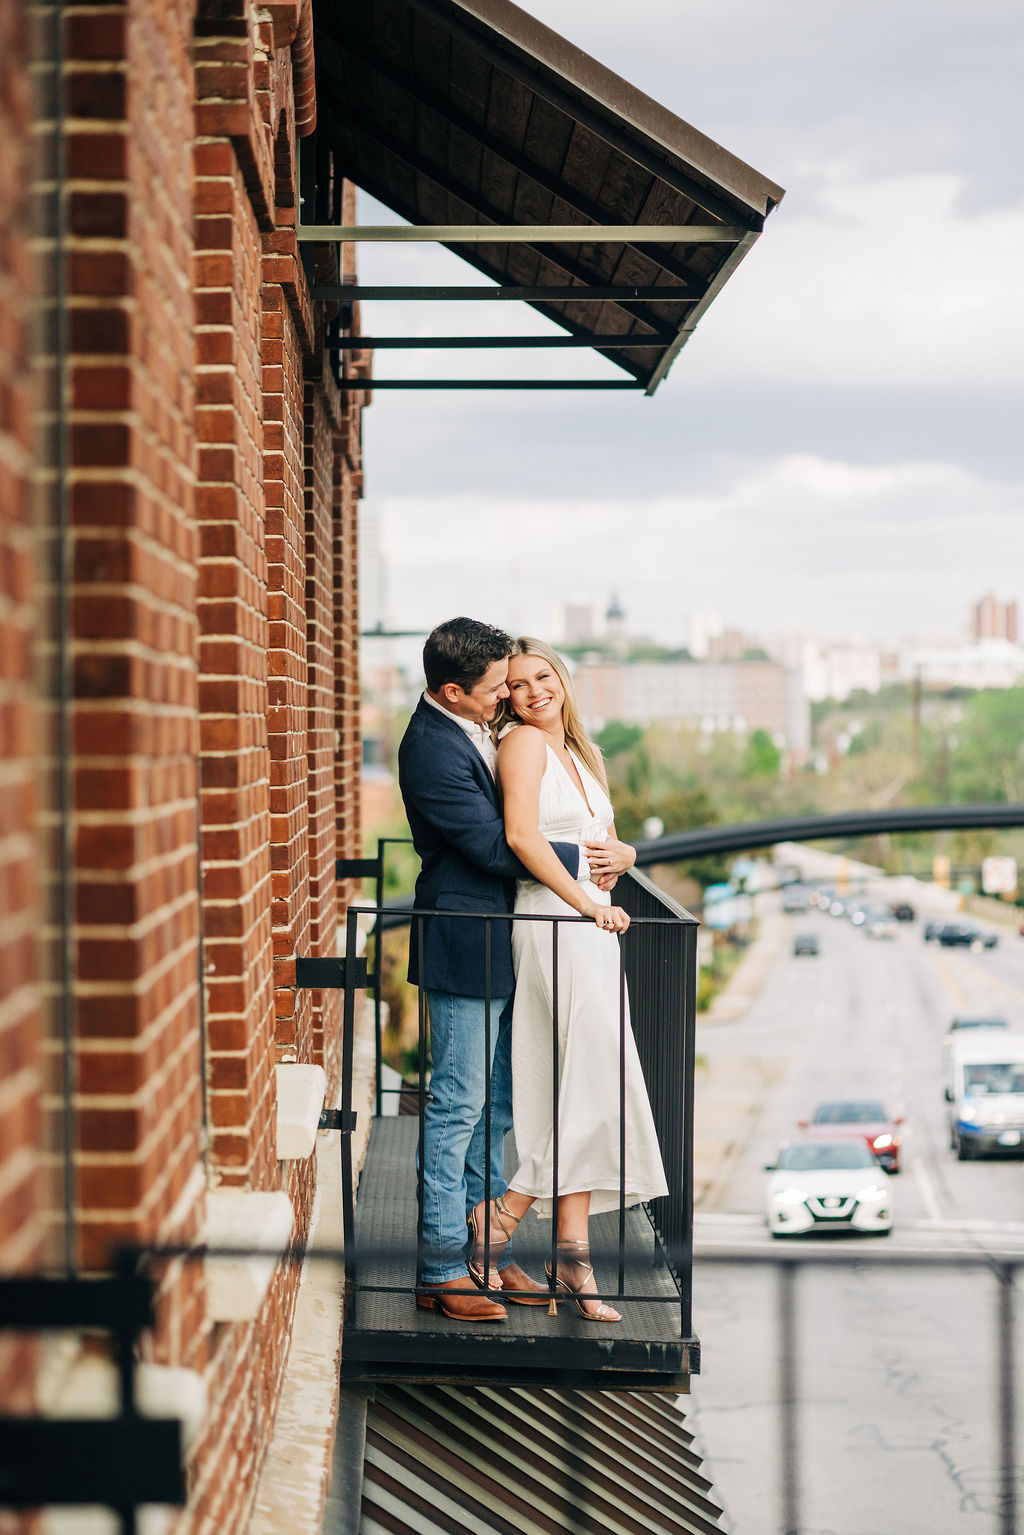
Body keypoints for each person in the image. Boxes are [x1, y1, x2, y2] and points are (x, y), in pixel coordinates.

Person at [397, 617, 594, 1321]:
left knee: (498, 1106)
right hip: (464, 937)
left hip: (504, 939)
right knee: (456, 1106)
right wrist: (577, 859)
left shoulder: (476, 725)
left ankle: (487, 1255)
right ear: (452, 690)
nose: (505, 697)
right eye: (494, 689)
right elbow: (489, 843)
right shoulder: (429, 749)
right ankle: (441, 1267)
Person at [470, 637, 668, 1322]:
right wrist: (586, 902)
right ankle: (507, 1213)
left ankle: (567, 1256)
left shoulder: (585, 755)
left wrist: (629, 851)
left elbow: (601, 841)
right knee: (589, 1081)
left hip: (593, 928)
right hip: (556, 921)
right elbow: (523, 837)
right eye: (517, 684)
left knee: (584, 1083)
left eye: (542, 676)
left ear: (563, 678)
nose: (531, 692)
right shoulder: (521, 745)